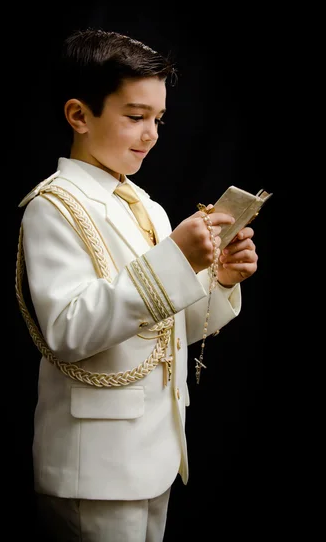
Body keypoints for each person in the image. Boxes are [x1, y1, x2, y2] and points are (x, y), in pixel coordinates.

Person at [15, 28, 259, 542]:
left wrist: (218, 281)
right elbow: (68, 329)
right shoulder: (53, 205)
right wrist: (175, 259)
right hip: (95, 463)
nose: (150, 135)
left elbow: (164, 335)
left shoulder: (147, 206)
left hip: (156, 450)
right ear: (79, 115)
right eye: (135, 117)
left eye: (158, 120)